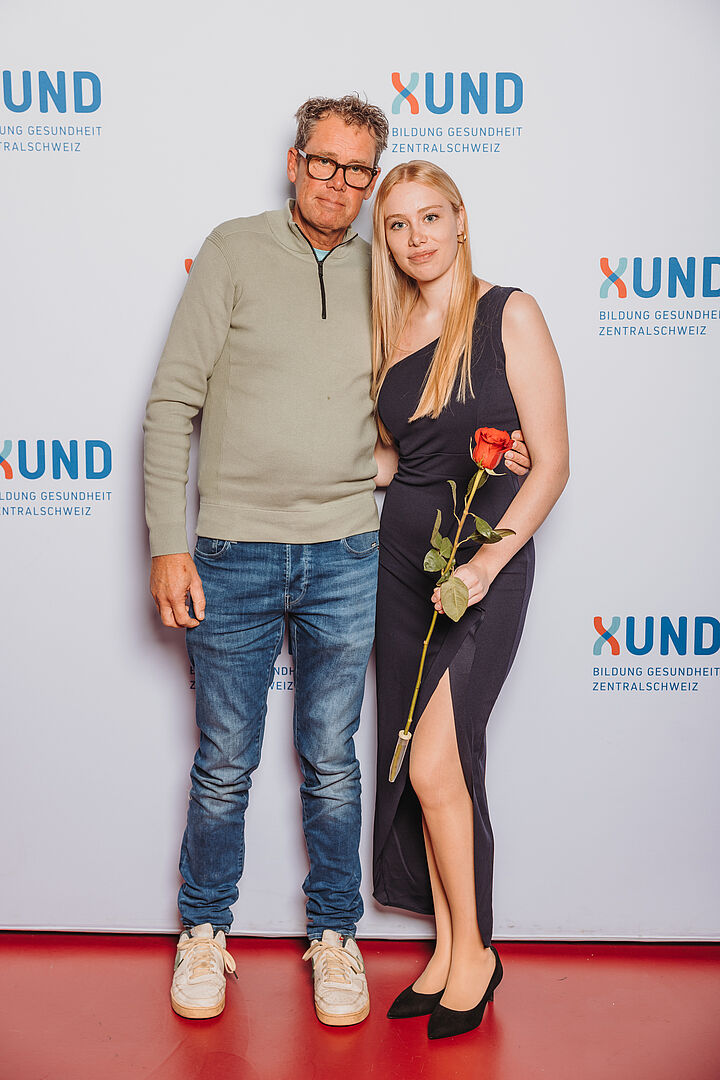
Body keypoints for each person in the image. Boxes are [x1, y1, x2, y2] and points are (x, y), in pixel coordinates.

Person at [144, 95, 531, 1027]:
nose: (339, 184)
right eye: (324, 162)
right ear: (294, 161)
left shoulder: (385, 272)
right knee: (224, 760)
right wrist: (166, 543)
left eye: (359, 171)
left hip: (350, 549)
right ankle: (205, 930)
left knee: (333, 761)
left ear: (373, 182)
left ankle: (334, 935)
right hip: (232, 547)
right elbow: (171, 405)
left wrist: (498, 442)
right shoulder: (232, 250)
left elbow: (430, 390)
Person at [370, 161, 569, 1039]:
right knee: (436, 773)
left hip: (481, 566)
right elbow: (399, 459)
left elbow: (552, 462)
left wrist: (487, 564)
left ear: (459, 218)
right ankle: (450, 949)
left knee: (434, 764)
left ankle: (478, 954)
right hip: (403, 568)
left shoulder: (508, 312)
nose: (416, 237)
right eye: (398, 225)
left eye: (430, 217)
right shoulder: (394, 326)